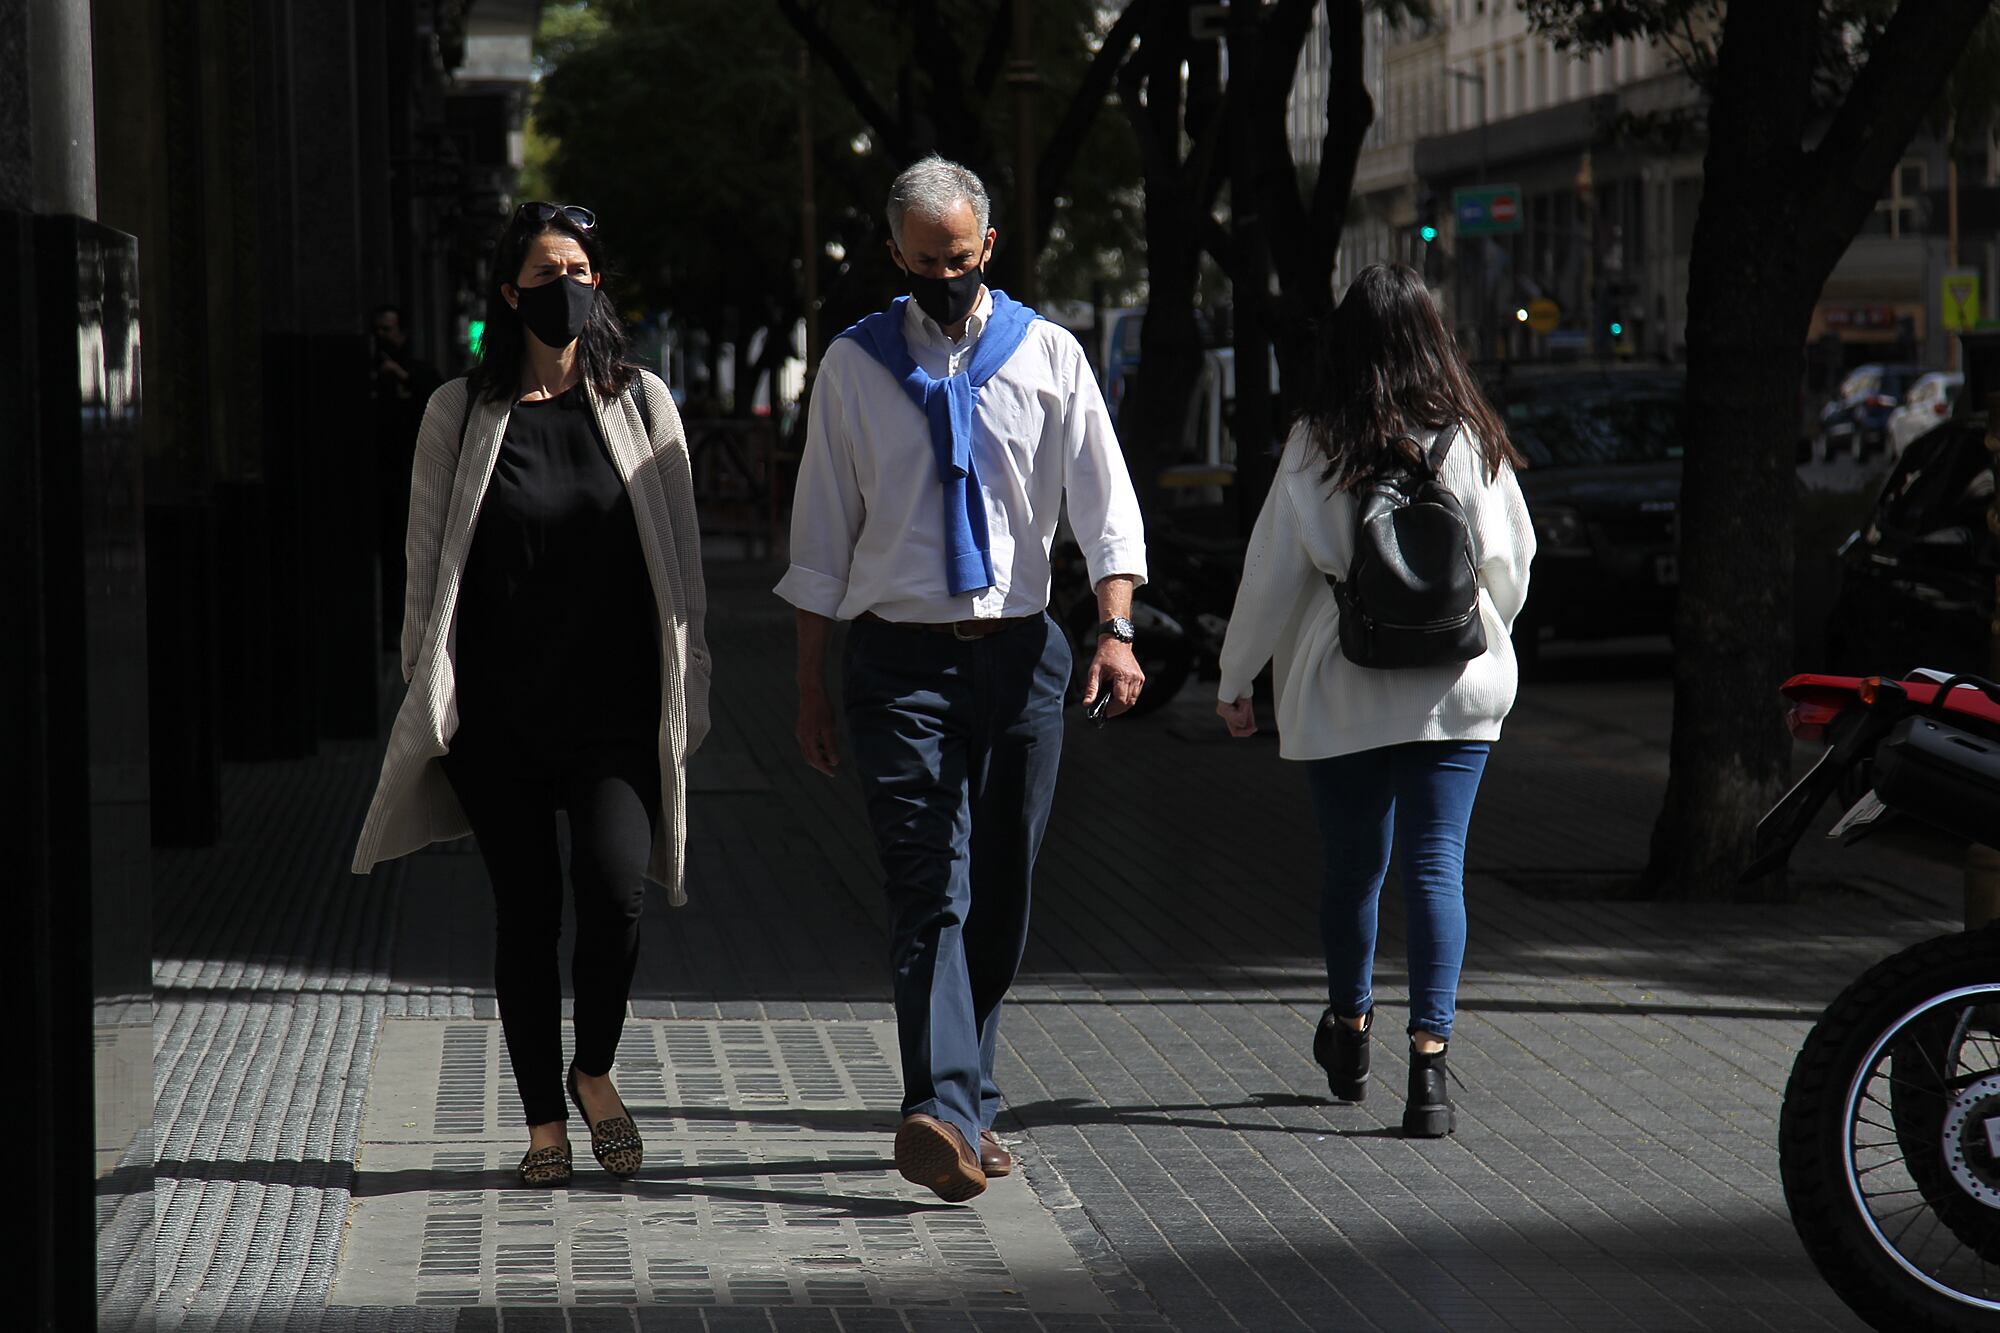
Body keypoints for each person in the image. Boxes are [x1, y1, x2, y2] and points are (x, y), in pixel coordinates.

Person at [777, 156, 1147, 1202]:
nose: (944, 274)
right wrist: (809, 682)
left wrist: (1113, 630)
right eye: (922, 259)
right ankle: (937, 1108)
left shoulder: (1050, 358)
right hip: (898, 662)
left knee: (1002, 895)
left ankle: (967, 1098)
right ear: (895, 255)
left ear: (988, 247)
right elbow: (820, 541)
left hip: (1025, 657)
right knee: (927, 884)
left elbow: (1104, 510)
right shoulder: (851, 368)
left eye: (959, 256)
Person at [351, 202, 711, 1186]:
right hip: (500, 717)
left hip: (614, 712)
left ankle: (592, 1066)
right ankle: (543, 1122)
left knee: (613, 894)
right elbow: (424, 564)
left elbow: (682, 565)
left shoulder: (642, 402)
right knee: (525, 912)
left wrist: (695, 676)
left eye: (584, 268)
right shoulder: (457, 412)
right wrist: (423, 684)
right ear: (510, 293)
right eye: (550, 269)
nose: (570, 285)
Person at [1214, 263, 1533, 1138]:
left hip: (1340, 680)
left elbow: (1272, 573)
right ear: (1435, 336)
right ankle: (1428, 1073)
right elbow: (1511, 565)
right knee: (1438, 865)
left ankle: (1349, 1028)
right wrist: (1468, 627)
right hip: (1458, 684)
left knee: (1355, 866)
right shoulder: (1470, 436)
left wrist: (1236, 676)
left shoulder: (1317, 439)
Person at [369, 304, 440, 647]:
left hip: (409, 476)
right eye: (379, 330)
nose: (384, 338)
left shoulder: (417, 372)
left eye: (389, 330)